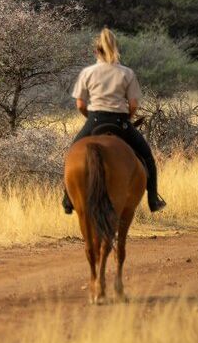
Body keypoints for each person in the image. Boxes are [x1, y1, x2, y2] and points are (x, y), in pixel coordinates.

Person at [62, 28, 167, 214]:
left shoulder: (88, 73)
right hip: (120, 121)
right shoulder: (127, 73)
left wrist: (91, 119)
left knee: (72, 153)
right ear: (116, 49)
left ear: (96, 51)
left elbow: (80, 104)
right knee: (147, 156)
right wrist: (127, 118)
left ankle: (68, 199)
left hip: (94, 120)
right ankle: (153, 199)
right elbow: (133, 104)